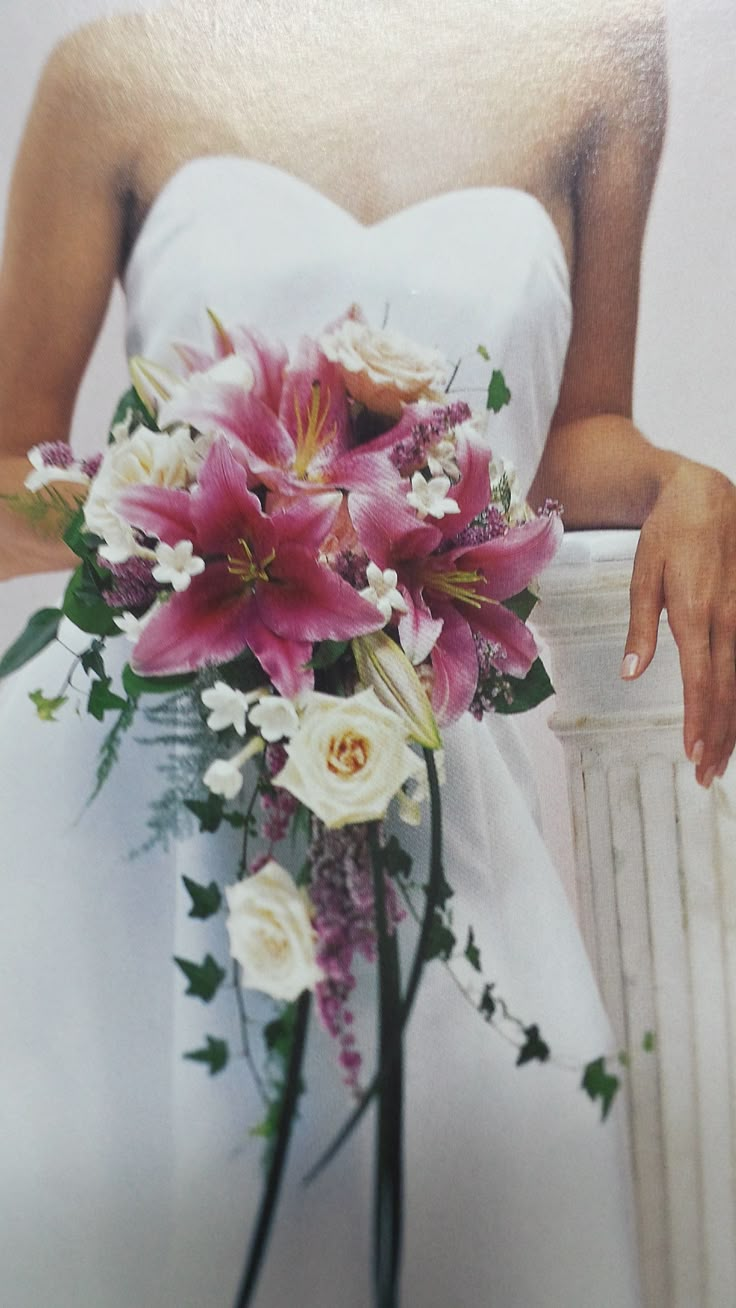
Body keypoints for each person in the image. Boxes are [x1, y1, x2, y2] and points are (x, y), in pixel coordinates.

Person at [0, 3, 733, 1306]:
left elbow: (576, 436)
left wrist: (687, 480)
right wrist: (205, 511)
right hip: (152, 787)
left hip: (419, 756)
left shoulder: (600, 58)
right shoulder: (113, 70)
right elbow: (7, 473)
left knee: (512, 1173)